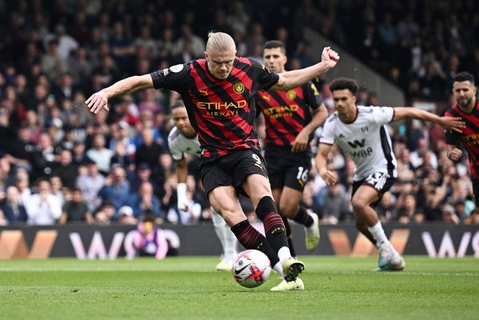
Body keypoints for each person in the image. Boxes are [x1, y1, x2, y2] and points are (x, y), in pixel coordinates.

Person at [86, 31, 340, 291]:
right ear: (206, 56)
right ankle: (284, 274)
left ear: (236, 56)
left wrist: (323, 66)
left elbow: (285, 80)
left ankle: (287, 258)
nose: (223, 68)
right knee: (232, 216)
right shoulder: (188, 73)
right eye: (217, 62)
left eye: (228, 61)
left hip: (244, 150)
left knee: (263, 196)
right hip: (212, 158)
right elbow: (141, 81)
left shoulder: (249, 68)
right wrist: (107, 92)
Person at [315, 77, 464, 271]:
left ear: (354, 99)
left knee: (359, 203)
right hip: (362, 173)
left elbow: (409, 111)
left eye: (344, 99)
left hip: (383, 167)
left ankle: (387, 250)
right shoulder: (332, 124)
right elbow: (321, 154)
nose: (340, 104)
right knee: (360, 223)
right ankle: (390, 255)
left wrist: (439, 121)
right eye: (336, 100)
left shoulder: (372, 114)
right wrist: (323, 170)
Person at [255, 40, 323, 257]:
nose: (272, 61)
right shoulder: (259, 88)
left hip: (298, 153)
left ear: (284, 59)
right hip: (273, 153)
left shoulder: (301, 83)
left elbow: (321, 112)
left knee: (286, 207)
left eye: (276, 56)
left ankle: (310, 220)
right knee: (274, 209)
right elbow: (251, 119)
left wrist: (305, 131)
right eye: (268, 57)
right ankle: (290, 256)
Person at [168, 100, 239, 271]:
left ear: (191, 115)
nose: (180, 123)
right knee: (216, 211)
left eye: (184, 118)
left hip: (232, 162)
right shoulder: (174, 139)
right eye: (176, 119)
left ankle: (233, 254)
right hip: (212, 169)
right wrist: (181, 195)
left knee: (228, 208)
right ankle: (229, 254)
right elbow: (181, 165)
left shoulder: (206, 126)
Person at [444, 72, 479, 209]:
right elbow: (450, 148)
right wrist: (451, 153)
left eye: (465, 89)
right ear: (453, 92)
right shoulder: (451, 116)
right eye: (458, 90)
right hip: (477, 171)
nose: (462, 94)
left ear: (474, 90)